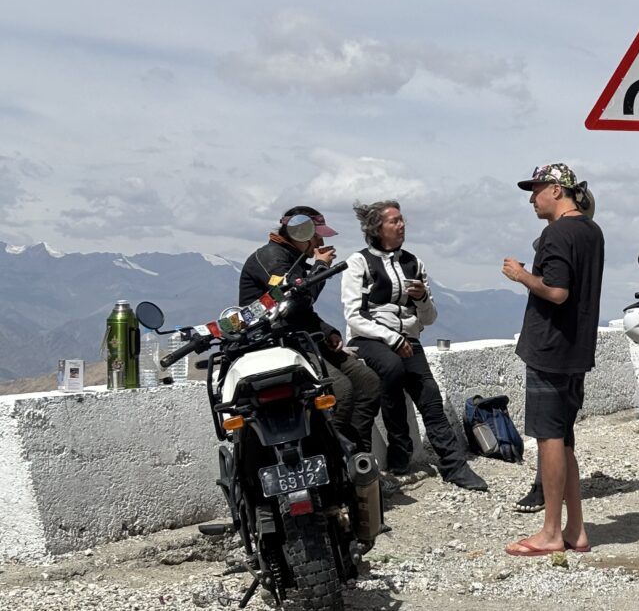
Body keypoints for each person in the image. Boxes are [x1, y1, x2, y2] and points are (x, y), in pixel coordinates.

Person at [341, 200, 487, 492]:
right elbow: (354, 317)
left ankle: (454, 466)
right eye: (394, 221)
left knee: (430, 396)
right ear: (376, 229)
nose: (402, 225)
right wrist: (392, 338)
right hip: (369, 340)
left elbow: (430, 318)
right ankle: (400, 443)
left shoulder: (414, 262)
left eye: (402, 219)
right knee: (391, 368)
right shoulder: (358, 263)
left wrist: (421, 299)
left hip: (409, 339)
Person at [501, 163, 604, 556]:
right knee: (565, 441)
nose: (531, 197)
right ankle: (576, 530)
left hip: (550, 350)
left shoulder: (557, 233)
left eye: (537, 189)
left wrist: (521, 275)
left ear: (557, 190)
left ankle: (549, 533)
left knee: (548, 440)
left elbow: (556, 291)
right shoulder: (591, 231)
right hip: (577, 350)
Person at [238, 206, 382, 454]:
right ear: (302, 233)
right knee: (343, 391)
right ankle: (333, 456)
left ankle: (360, 458)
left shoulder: (292, 259)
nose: (321, 242)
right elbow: (293, 302)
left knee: (367, 383)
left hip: (306, 339)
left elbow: (303, 311)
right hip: (279, 345)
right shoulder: (272, 259)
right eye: (317, 236)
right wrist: (320, 267)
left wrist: (326, 331)